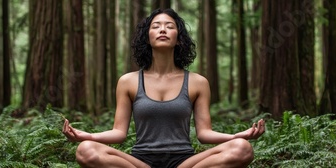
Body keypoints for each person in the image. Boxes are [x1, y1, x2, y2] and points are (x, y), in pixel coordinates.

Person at [62, 8, 265, 168]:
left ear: (179, 38)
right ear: (147, 37)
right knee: (86, 150)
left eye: (169, 26)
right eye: (156, 26)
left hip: (184, 162)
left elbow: (204, 134)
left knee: (242, 149)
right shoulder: (128, 81)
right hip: (140, 162)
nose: (162, 30)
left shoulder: (197, 82)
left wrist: (239, 136)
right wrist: (86, 136)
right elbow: (119, 132)